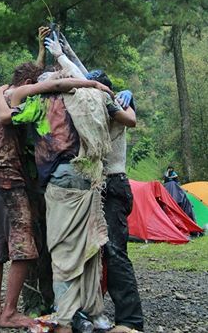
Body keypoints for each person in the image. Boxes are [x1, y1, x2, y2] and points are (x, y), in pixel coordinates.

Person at [0, 36, 134, 333]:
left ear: (52, 83)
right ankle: (96, 313)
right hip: (91, 181)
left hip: (60, 180)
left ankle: (69, 317)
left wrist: (12, 92)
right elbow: (120, 110)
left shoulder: (44, 103)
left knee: (62, 250)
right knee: (89, 248)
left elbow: (10, 113)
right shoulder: (92, 98)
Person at [0, 57, 110, 330]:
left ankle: (0, 312)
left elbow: (13, 107)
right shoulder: (84, 99)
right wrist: (91, 82)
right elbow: (62, 84)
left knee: (6, 251)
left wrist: (0, 89)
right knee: (60, 249)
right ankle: (86, 312)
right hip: (31, 183)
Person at [87, 70, 144, 333]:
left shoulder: (114, 106)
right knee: (96, 251)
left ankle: (131, 320)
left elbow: (130, 119)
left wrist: (127, 97)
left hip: (114, 182)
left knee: (115, 251)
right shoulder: (92, 108)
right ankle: (91, 311)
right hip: (100, 185)